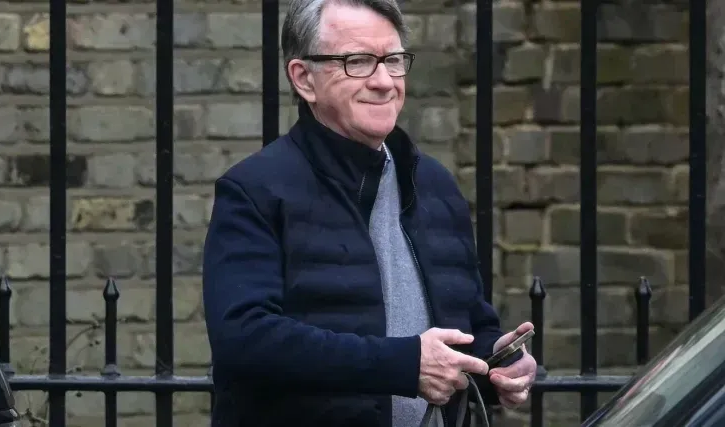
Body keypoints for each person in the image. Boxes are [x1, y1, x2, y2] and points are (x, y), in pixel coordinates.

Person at [201, 0, 537, 426]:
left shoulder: (435, 184)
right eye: (357, 62)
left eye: (393, 61)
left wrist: (495, 364)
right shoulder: (255, 190)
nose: (383, 82)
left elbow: (468, 322)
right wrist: (403, 364)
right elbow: (245, 341)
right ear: (304, 78)